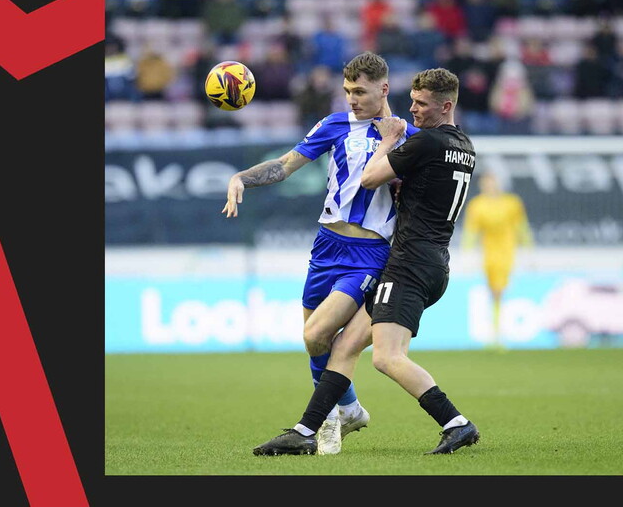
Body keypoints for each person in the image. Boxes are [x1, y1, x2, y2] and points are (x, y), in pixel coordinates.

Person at [252, 68, 480, 456]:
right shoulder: (464, 145)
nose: (413, 110)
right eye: (412, 101)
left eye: (421, 104)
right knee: (343, 347)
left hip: (407, 264)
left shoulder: (426, 142)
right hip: (430, 261)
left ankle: (456, 423)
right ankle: (307, 431)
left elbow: (371, 177)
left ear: (446, 106)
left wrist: (389, 139)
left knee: (387, 357)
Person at [222, 52, 420, 455]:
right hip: (326, 246)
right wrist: (241, 177)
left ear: (384, 89)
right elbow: (285, 165)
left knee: (317, 333)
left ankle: (324, 422)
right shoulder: (334, 125)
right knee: (315, 342)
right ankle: (349, 409)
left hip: (369, 253)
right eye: (347, 91)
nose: (351, 99)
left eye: (360, 91)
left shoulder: (409, 137)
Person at [461, 170, 534, 350]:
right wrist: (466, 253)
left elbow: (521, 227)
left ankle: (497, 335)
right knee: (493, 291)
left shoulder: (512, 203)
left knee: (499, 290)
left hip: (507, 252)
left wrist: (529, 250)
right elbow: (471, 231)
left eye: (492, 182)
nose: (490, 186)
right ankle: (496, 334)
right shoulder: (477, 205)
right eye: (486, 183)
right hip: (488, 253)